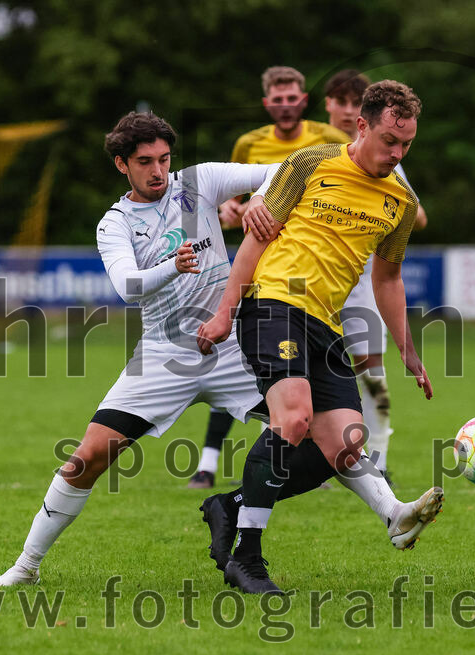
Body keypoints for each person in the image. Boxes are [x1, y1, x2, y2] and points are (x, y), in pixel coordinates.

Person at [0, 111, 370, 586]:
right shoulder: (115, 223)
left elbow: (286, 168)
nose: (158, 171)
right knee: (88, 456)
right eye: (145, 161)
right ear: (120, 165)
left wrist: (257, 202)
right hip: (164, 355)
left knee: (323, 435)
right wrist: (174, 264)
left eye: (164, 159)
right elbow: (129, 286)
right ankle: (25, 567)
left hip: (232, 341)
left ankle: (390, 512)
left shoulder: (198, 182)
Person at [197, 80, 441, 595]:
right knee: (294, 419)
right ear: (362, 126)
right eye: (389, 142)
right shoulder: (310, 164)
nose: (396, 154)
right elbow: (256, 238)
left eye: (407, 145)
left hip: (326, 322)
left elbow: (388, 278)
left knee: (345, 446)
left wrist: (407, 348)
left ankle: (230, 505)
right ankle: (248, 560)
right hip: (273, 302)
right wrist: (225, 312)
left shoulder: (399, 199)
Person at [188, 65, 350, 489]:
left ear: (303, 99)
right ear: (267, 104)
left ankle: (321, 451)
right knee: (241, 370)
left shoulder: (329, 141)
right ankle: (209, 463)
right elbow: (231, 205)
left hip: (312, 272)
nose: (285, 105)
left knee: (305, 376)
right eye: (276, 100)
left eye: (292, 97)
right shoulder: (250, 143)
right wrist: (230, 211)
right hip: (263, 271)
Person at [324, 69, 429, 484]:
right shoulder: (315, 154)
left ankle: (379, 457)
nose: (348, 112)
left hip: (362, 283)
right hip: (306, 286)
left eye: (355, 103)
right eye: (342, 103)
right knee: (295, 373)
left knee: (370, 369)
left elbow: (416, 214)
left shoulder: (388, 165)